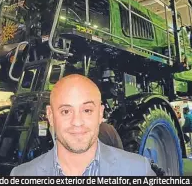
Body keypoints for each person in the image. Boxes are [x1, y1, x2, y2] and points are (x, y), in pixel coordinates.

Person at [10, 74, 156, 176]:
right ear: (50, 116)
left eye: (87, 110)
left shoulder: (139, 171)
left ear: (100, 114)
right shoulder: (21, 176)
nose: (77, 122)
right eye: (66, 111)